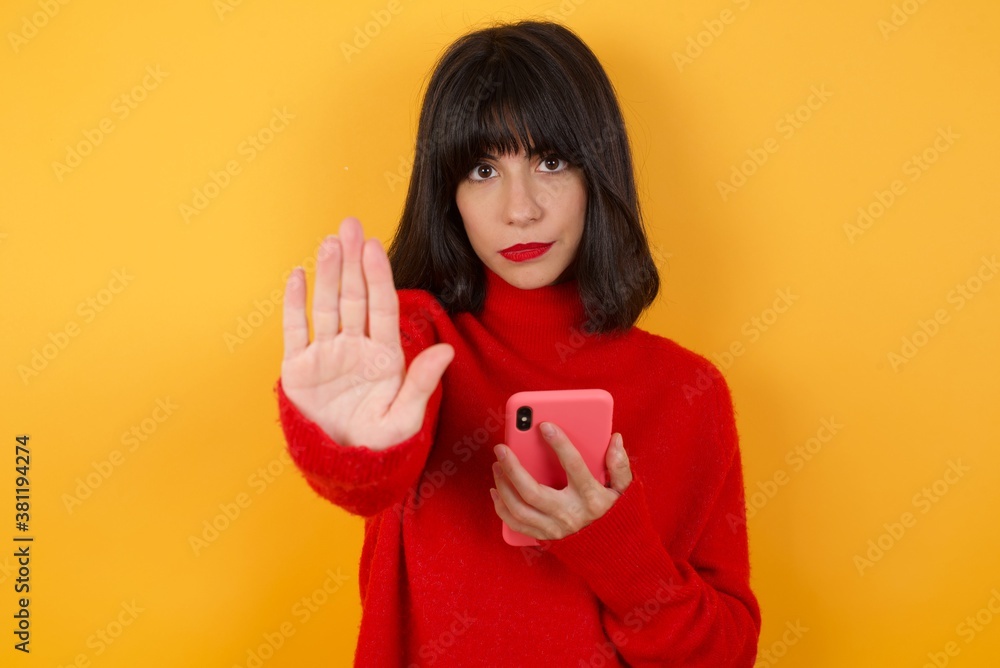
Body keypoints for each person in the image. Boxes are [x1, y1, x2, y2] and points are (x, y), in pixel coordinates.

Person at [274, 19, 761, 667]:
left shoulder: (690, 391)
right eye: (482, 170)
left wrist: (616, 552)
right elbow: (366, 482)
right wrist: (349, 442)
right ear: (447, 196)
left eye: (550, 162)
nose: (520, 208)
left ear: (598, 173)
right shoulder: (415, 346)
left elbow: (725, 654)